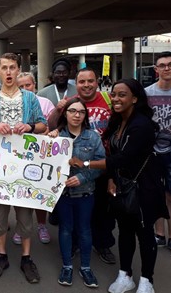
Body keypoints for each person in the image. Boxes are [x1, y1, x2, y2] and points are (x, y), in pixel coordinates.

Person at [70, 78, 168, 293]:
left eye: (122, 95)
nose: (115, 99)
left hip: (144, 187)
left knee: (144, 234)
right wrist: (112, 179)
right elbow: (112, 152)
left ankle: (146, 280)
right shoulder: (117, 120)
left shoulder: (142, 125)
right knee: (124, 231)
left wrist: (85, 163)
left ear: (134, 98)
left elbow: (123, 157)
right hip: (122, 186)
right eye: (114, 94)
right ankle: (125, 275)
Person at [0, 53, 47, 284]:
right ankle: (2, 255)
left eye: (12, 68)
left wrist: (29, 126)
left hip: (25, 166)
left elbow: (42, 124)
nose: (8, 72)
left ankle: (26, 258)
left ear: (18, 70)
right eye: (4, 68)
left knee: (25, 214)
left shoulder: (29, 98)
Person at [48, 67, 116, 264]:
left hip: (103, 160)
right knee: (74, 211)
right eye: (82, 81)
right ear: (75, 84)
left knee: (103, 210)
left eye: (90, 81)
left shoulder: (108, 100)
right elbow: (54, 124)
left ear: (97, 82)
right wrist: (59, 109)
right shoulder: (70, 102)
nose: (86, 85)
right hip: (74, 162)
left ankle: (102, 244)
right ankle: (75, 244)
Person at [48, 97, 105, 288]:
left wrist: (82, 177)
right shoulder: (56, 136)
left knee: (85, 230)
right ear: (65, 113)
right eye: (72, 111)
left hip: (85, 193)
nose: (77, 115)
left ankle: (86, 268)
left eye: (81, 112)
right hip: (62, 195)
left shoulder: (93, 137)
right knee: (65, 229)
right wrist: (50, 139)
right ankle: (67, 266)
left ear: (85, 115)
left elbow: (101, 164)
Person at [145, 51, 171, 257]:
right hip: (153, 150)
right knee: (156, 193)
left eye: (170, 64)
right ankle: (158, 233)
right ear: (156, 70)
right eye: (162, 65)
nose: (166, 68)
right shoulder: (147, 93)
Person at [16, 72, 54, 244]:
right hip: (19, 155)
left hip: (42, 155)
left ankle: (41, 224)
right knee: (21, 192)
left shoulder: (45, 103)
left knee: (40, 191)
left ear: (35, 85)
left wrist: (48, 130)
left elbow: (53, 125)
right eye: (21, 86)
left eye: (28, 85)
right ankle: (21, 226)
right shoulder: (13, 104)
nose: (25, 89)